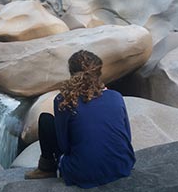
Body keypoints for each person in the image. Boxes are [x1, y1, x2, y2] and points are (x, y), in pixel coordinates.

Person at [24, 50, 135, 188]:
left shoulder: (63, 100)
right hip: (122, 166)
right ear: (99, 73)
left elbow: (64, 145)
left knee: (46, 120)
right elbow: (127, 137)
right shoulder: (116, 96)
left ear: (71, 74)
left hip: (81, 173)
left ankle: (46, 168)